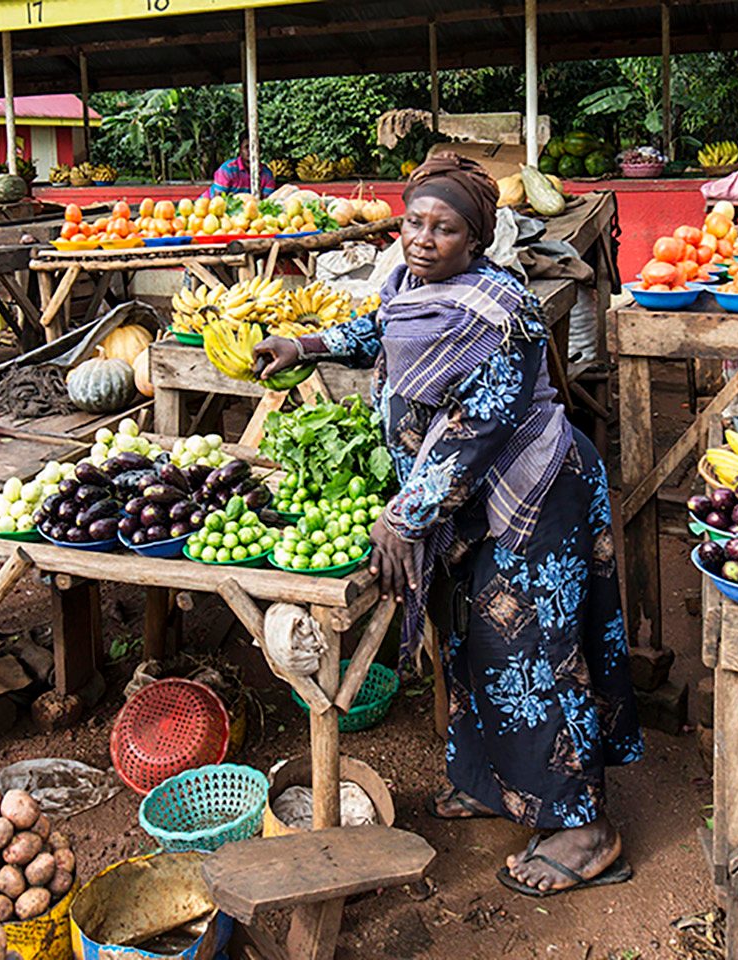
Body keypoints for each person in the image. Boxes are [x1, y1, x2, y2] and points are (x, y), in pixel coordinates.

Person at [252, 153, 642, 898]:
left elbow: (479, 428)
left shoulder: (502, 313)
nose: (422, 239)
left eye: (445, 228)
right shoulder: (409, 286)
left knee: (536, 651)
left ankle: (585, 828)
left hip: (534, 499)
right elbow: (378, 329)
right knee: (471, 640)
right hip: (464, 506)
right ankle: (496, 782)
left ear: (478, 240)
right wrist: (304, 346)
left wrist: (405, 515)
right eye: (414, 222)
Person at [208, 138, 274, 197]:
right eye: (247, 147)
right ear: (240, 150)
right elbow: (218, 199)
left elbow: (267, 201)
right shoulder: (228, 169)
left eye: (254, 146)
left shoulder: (267, 174)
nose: (251, 150)